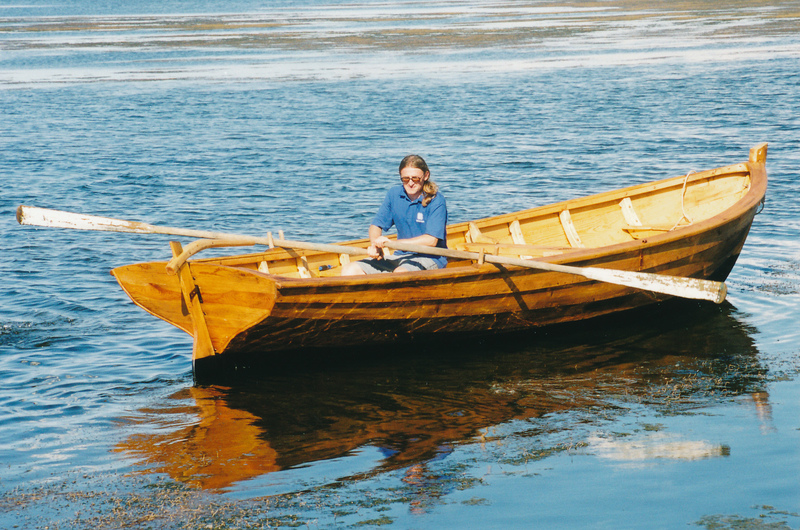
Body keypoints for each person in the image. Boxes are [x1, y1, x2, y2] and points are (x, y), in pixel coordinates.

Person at [341, 155, 448, 275]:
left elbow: (431, 241)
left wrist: (392, 243)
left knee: (399, 273)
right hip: (401, 256)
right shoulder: (394, 194)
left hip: (430, 257)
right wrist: (375, 244)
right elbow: (376, 226)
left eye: (415, 179)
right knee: (349, 269)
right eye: (406, 179)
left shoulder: (436, 200)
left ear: (426, 176)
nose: (411, 183)